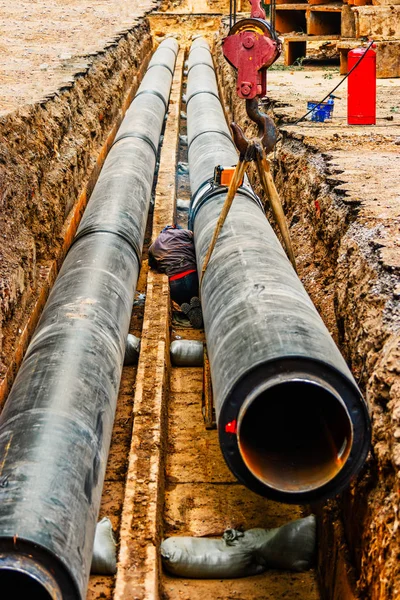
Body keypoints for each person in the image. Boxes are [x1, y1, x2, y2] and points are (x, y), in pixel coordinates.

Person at [148, 225, 203, 328]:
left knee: (183, 299)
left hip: (175, 283)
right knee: (196, 295)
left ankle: (187, 309)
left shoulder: (155, 245)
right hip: (192, 275)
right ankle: (197, 306)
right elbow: (198, 241)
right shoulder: (184, 233)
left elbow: (151, 263)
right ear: (175, 229)